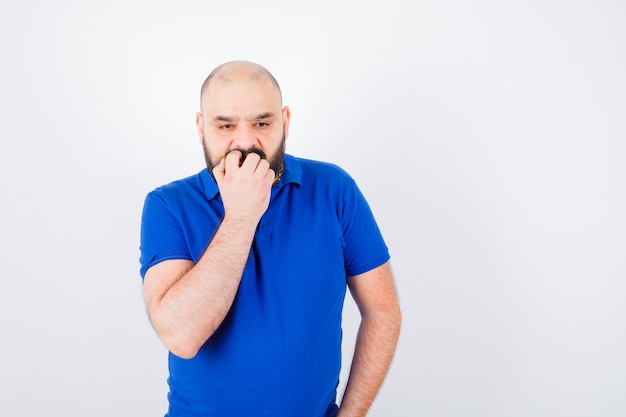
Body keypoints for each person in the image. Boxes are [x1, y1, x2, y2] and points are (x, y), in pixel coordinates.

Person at [139, 60, 402, 417]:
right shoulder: (167, 205)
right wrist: (242, 215)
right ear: (201, 128)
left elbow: (383, 311)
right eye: (226, 125)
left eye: (262, 123)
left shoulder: (334, 189)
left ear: (286, 122)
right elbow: (182, 337)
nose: (246, 141)